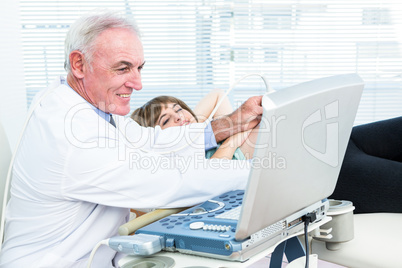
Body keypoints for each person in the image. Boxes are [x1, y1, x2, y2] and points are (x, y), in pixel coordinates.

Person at [0, 11, 263, 268]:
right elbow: (169, 180)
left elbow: (149, 140)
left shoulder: (84, 103)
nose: (137, 84)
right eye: (123, 68)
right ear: (79, 64)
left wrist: (232, 122)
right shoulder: (69, 135)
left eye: (139, 68)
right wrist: (259, 171)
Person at [131, 90, 259, 160]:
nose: (178, 117)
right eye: (165, 120)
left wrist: (194, 126)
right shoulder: (184, 162)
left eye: (179, 109)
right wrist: (232, 141)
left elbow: (218, 95)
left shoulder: (206, 137)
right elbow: (214, 175)